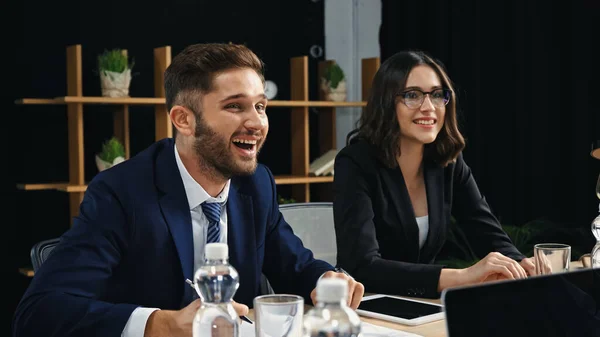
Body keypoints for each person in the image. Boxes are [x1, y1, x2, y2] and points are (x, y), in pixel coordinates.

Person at [12, 43, 364, 337]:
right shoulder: (121, 193)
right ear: (183, 119)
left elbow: (296, 265)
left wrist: (326, 279)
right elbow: (39, 312)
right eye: (235, 106)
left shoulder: (256, 185)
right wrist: (160, 324)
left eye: (260, 106)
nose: (257, 122)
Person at [333, 50, 535, 299]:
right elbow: (362, 267)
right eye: (412, 95)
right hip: (369, 307)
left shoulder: (446, 161)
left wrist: (520, 263)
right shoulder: (355, 163)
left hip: (421, 305)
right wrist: (462, 276)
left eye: (438, 95)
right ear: (386, 102)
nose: (428, 107)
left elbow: (485, 230)